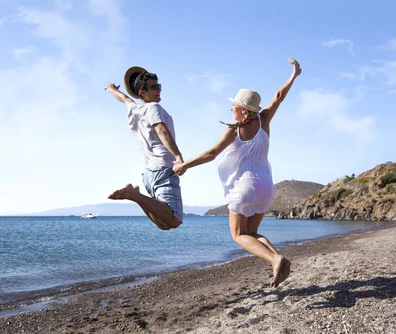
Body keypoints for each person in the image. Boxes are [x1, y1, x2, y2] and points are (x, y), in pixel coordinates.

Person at [173, 58, 302, 287]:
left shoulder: (235, 130)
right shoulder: (264, 119)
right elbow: (279, 96)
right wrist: (294, 75)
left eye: (233, 106)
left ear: (242, 110)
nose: (231, 109)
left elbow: (212, 153)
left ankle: (274, 258)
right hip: (266, 186)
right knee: (252, 233)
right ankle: (279, 260)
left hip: (245, 187)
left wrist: (184, 165)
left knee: (238, 235)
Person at [104, 67, 184, 230]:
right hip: (164, 167)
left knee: (164, 225)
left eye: (159, 86)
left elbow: (125, 99)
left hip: (149, 173)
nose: (159, 89)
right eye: (154, 87)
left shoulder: (134, 109)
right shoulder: (153, 108)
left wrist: (111, 89)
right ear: (142, 92)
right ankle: (134, 195)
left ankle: (136, 194)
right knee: (174, 220)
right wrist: (178, 156)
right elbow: (161, 130)